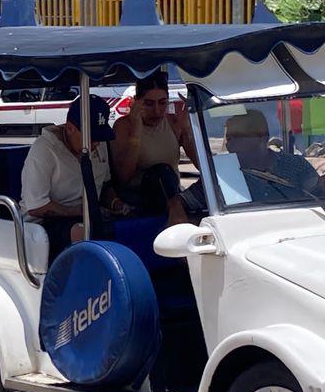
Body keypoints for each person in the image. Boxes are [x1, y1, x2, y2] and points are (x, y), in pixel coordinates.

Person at [20, 95, 126, 262]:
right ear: (70, 128)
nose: (96, 143)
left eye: (99, 137)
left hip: (89, 214)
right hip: (41, 225)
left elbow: (104, 184)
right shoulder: (44, 150)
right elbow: (36, 207)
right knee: (83, 232)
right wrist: (79, 211)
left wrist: (116, 204)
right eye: (91, 137)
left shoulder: (99, 144)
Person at [111, 73, 203, 226]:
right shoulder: (124, 126)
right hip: (137, 200)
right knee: (160, 173)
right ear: (136, 102)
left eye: (162, 103)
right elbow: (123, 177)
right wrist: (136, 132)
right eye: (149, 104)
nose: (157, 111)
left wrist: (187, 130)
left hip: (171, 195)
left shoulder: (172, 121)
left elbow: (202, 166)